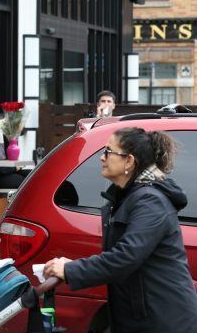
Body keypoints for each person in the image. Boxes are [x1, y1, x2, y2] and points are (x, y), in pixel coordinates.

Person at [43, 127, 197, 332]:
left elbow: (126, 256)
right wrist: (72, 267)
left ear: (129, 161)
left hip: (164, 320)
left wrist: (71, 270)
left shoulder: (150, 202)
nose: (102, 158)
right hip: (139, 317)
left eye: (108, 151)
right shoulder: (126, 198)